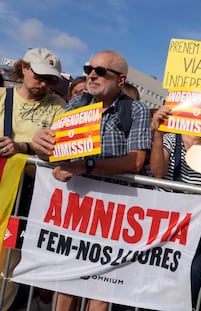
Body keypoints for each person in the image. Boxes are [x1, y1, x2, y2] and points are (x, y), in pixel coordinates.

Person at [32, 49, 152, 311]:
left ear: (120, 80)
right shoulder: (76, 104)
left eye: (101, 71)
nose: (92, 76)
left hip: (113, 211)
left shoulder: (136, 109)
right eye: (88, 70)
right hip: (75, 205)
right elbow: (56, 151)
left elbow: (136, 162)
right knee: (65, 282)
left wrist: (84, 166)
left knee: (101, 285)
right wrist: (40, 144)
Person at [0, 47, 66, 311]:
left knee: (8, 260)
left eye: (51, 79)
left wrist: (21, 147)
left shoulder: (59, 106)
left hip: (26, 197)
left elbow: (58, 149)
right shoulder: (3, 97)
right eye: (40, 76)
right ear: (24, 68)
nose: (44, 84)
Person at [150, 104, 201, 309]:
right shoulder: (171, 137)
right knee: (158, 274)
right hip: (167, 220)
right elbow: (158, 172)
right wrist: (158, 135)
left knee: (190, 276)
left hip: (197, 224)